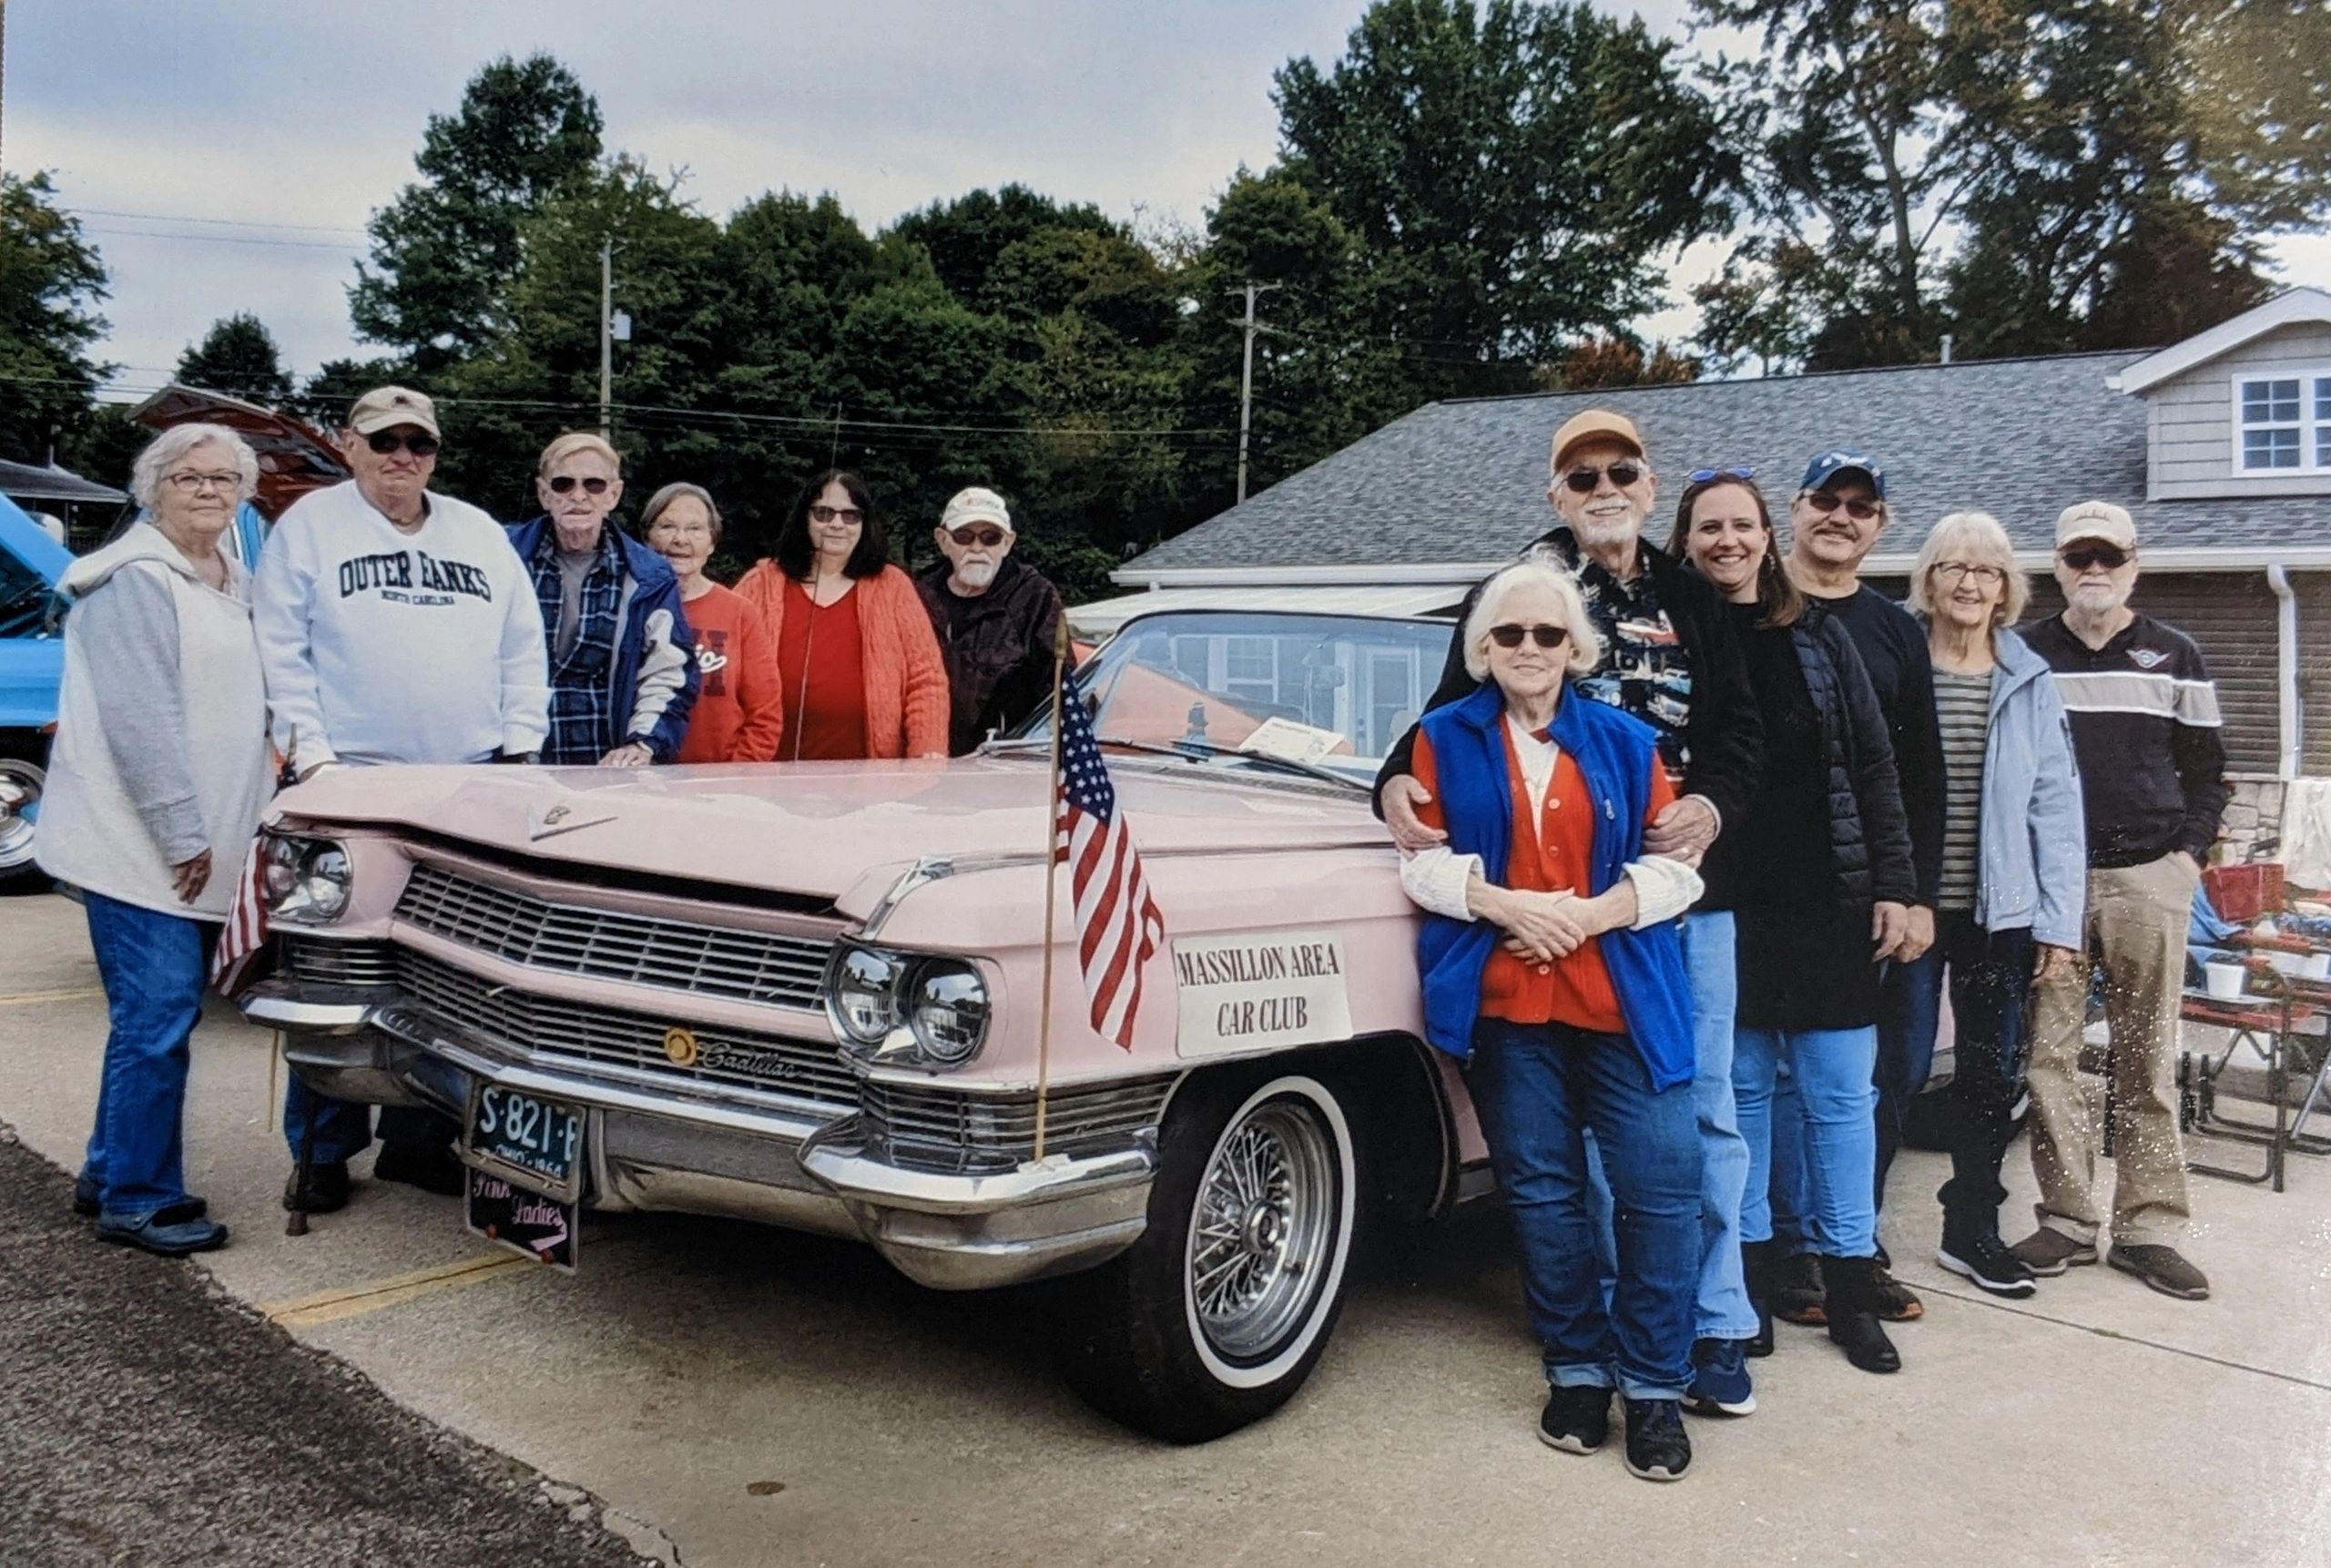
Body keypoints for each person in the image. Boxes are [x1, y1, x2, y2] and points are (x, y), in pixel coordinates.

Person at [1378, 412, 1765, 1415]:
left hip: (1661, 894)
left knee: (1687, 1138)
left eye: (1621, 471)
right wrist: (1395, 788)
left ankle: (1701, 1334)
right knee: (1553, 1173)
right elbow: (1439, 733)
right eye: (1581, 475)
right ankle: (1588, 1349)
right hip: (1525, 947)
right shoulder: (1520, 587)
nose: (1604, 488)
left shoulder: (1691, 597)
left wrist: (1707, 810)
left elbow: (1741, 731)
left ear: (1648, 485)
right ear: (1557, 493)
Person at [1396, 553, 1707, 1481]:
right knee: (1541, 1190)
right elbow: (1419, 861)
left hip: (1621, 996)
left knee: (1661, 1185)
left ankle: (1654, 1386)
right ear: (1482, 650)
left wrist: (1588, 916)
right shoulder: (1440, 737)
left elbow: (1677, 871)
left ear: (1575, 648)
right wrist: (1507, 907)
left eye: (1547, 632)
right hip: (1508, 999)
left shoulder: (1625, 741)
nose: (1528, 647)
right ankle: (1576, 1370)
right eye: (1508, 633)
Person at [255, 385, 550, 1211]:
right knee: (336, 970)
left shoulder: (476, 530)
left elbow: (520, 646)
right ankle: (321, 1149)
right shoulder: (310, 526)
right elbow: (282, 650)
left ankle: (418, 1141)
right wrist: (313, 759)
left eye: (418, 444)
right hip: (353, 777)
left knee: (448, 971)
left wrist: (521, 748)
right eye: (385, 442)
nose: (402, 458)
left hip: (466, 779)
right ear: (350, 444)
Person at [1670, 472, 1916, 1374]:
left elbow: (1875, 765)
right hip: (1721, 901)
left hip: (1826, 895)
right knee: (1739, 1096)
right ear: (1685, 540)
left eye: (1743, 525)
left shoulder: (1814, 632)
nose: (1727, 541)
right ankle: (1750, 1283)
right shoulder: (1676, 633)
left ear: (1767, 534)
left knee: (1841, 1095)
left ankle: (1849, 1285)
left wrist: (1897, 883)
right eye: (1709, 528)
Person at [36, 424, 273, 1256]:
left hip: (194, 844)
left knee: (152, 1016)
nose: (208, 490)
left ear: (243, 494)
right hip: (141, 847)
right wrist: (182, 836)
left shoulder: (231, 576)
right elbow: (141, 723)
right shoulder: (134, 578)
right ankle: (139, 1199)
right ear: (152, 489)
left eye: (224, 478)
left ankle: (110, 1169)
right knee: (160, 1015)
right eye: (187, 477)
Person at [2015, 502, 2227, 1300]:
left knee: (2147, 1058)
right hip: (2053, 889)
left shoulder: (2175, 654)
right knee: (2050, 1059)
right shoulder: (2025, 652)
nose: (2095, 569)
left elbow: (2209, 771)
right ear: (2059, 565)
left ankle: (2148, 1228)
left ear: (2134, 564)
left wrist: (2186, 858)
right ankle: (2068, 1219)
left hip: (2148, 879)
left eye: (2110, 556)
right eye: (2080, 556)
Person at [1768, 449, 1943, 1326]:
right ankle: (1786, 1248)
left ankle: (1849, 1245)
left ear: (1881, 524)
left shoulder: (1893, 631)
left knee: (1859, 1081)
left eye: (1861, 507)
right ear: (1795, 508)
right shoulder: (1752, 604)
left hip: (1863, 894)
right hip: (1767, 887)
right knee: (1775, 1080)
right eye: (1826, 500)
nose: (1841, 517)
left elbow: (1916, 773)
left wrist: (1914, 894)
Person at [1899, 512, 2086, 1298]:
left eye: (1988, 571)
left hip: (1998, 915)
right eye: (1954, 567)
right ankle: (1851, 1239)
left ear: (2007, 588)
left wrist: (2057, 922)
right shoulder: (1898, 658)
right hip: (1906, 911)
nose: (1970, 584)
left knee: (1988, 1075)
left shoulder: (2028, 677)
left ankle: (1971, 1229)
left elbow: (2056, 804)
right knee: (1896, 1070)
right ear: (1928, 579)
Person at [507, 433, 697, 768]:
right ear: (543, 493)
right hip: (512, 759)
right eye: (563, 484)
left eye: (593, 485)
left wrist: (643, 743)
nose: (578, 496)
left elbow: (667, 671)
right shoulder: (501, 557)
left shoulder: (649, 577)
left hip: (607, 765)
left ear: (614, 494)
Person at [734, 470, 949, 760]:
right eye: (824, 513)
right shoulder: (759, 584)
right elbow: (722, 672)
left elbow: (926, 677)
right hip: (763, 771)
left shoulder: (894, 586)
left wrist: (927, 750)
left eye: (850, 516)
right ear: (804, 518)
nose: (837, 524)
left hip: (871, 774)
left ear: (865, 524)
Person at [913, 486, 1068, 755]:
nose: (977, 548)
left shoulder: (1035, 597)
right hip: (924, 755)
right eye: (964, 536)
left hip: (1003, 761)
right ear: (943, 541)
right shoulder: (916, 596)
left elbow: (1060, 688)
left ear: (1007, 543)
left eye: (991, 538)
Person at [640, 483, 783, 763]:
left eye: (695, 529)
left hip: (719, 780)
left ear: (712, 542)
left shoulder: (740, 612)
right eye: (667, 526)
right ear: (647, 538)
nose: (680, 539)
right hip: (640, 776)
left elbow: (765, 714)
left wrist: (736, 775)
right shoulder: (630, 606)